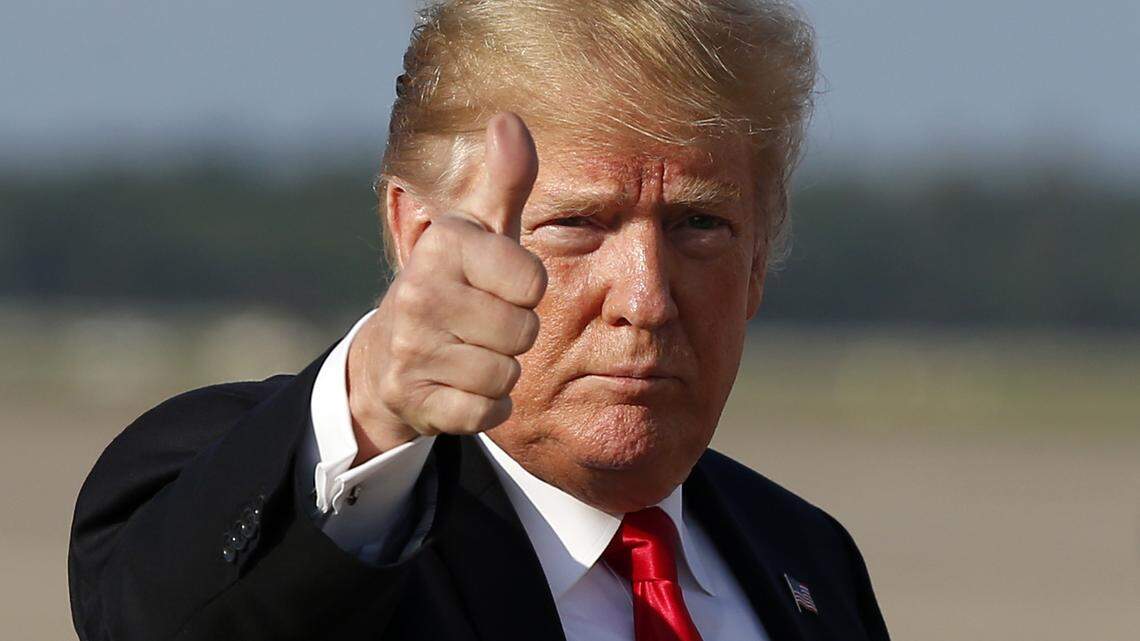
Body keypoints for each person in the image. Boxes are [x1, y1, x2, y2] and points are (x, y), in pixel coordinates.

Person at [68, 1, 890, 640]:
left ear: (757, 265)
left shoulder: (807, 559)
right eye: (577, 224)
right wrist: (373, 404)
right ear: (421, 238)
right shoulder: (305, 505)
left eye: (699, 225)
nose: (646, 298)